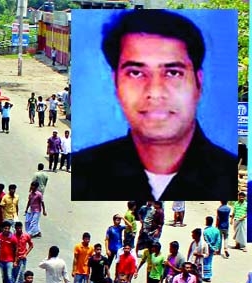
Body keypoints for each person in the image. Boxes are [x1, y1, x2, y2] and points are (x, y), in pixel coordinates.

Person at [72, 10, 237, 201]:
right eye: (136, 73)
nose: (155, 92)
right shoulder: (82, 174)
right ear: (115, 83)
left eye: (173, 73)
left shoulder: (227, 176)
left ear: (199, 83)